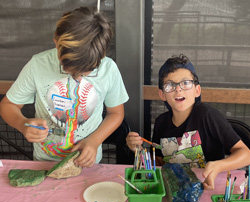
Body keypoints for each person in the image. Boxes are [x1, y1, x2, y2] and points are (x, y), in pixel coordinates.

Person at [0, 7, 129, 167]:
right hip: (44, 162)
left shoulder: (109, 69)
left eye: (86, 73)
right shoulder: (37, 65)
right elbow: (8, 105)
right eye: (70, 71)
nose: (77, 78)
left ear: (101, 55)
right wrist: (23, 124)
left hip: (89, 163)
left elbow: (116, 113)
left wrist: (94, 141)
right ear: (57, 43)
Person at [126, 54, 250, 190]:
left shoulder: (207, 116)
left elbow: (246, 154)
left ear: (197, 90)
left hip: (208, 189)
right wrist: (139, 150)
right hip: (174, 191)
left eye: (185, 83)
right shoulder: (161, 122)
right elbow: (160, 162)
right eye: (170, 85)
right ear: (162, 95)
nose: (178, 89)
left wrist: (219, 165)